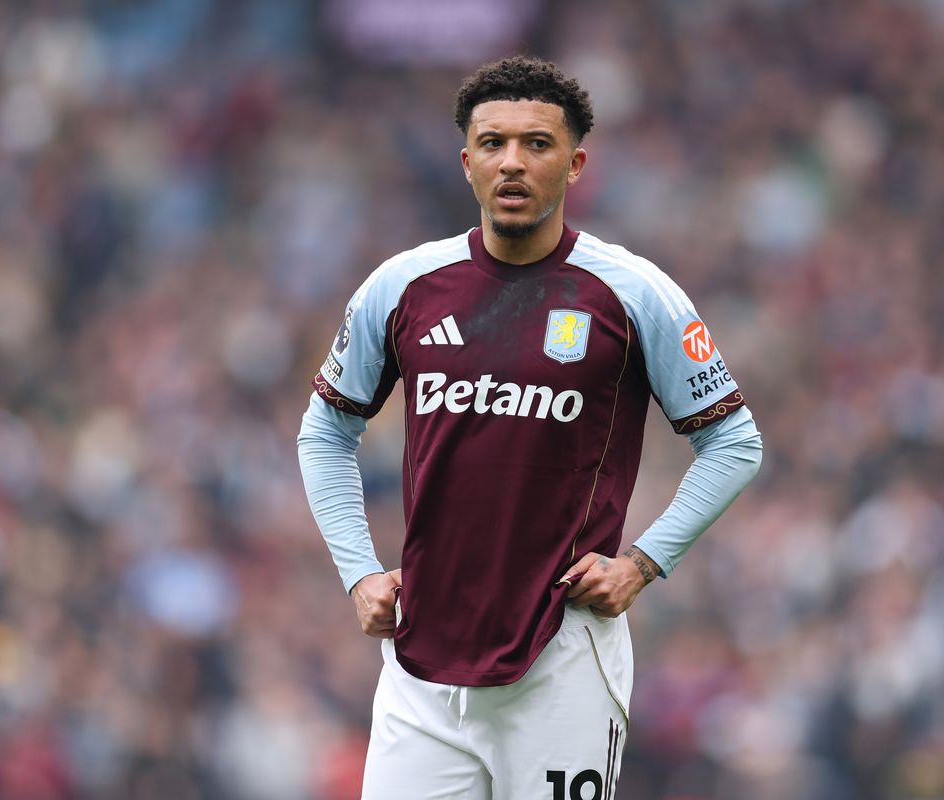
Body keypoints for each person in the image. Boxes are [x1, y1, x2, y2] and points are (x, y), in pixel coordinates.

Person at [298, 55, 762, 800]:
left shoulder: (633, 292)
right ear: (466, 162)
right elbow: (325, 432)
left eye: (537, 144)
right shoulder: (404, 286)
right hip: (423, 667)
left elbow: (734, 441)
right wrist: (357, 570)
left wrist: (641, 564)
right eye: (493, 143)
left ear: (576, 163)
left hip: (562, 659)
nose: (513, 162)